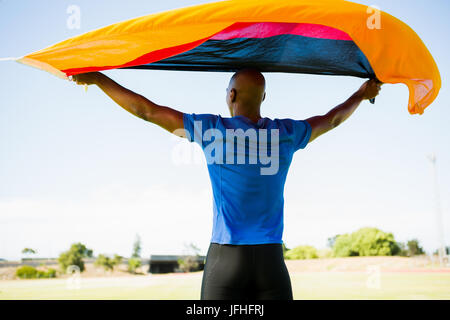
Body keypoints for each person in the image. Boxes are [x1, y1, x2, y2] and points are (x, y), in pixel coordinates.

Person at [72, 69, 381, 300]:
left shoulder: (211, 129)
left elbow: (146, 111)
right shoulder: (286, 133)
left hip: (226, 259)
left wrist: (100, 80)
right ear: (263, 98)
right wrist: (361, 93)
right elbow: (333, 119)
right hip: (271, 261)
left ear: (231, 95)